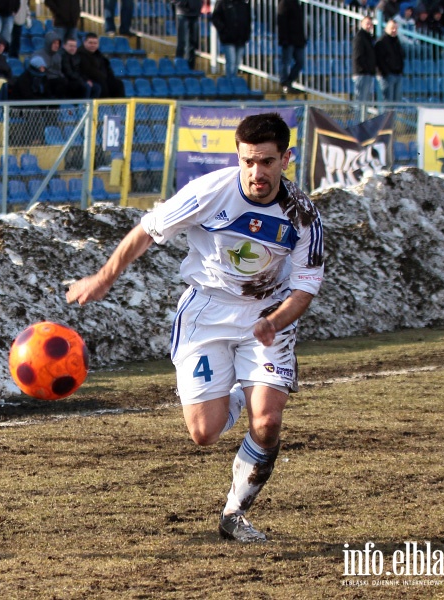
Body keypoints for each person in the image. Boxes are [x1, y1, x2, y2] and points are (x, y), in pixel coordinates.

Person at [66, 112, 325, 544]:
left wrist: (274, 322)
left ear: (286, 159)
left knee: (269, 421)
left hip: (268, 316)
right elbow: (147, 231)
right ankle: (242, 391)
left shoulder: (304, 217)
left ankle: (234, 513)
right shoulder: (211, 191)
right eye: (247, 162)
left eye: (266, 162)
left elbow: (304, 291)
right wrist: (103, 277)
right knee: (204, 433)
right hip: (207, 312)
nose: (256, 172)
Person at [76, 32, 125, 98]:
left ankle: (119, 106)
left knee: (118, 84)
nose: (93, 45)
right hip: (89, 80)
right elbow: (85, 70)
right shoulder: (79, 54)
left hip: (102, 78)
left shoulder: (99, 55)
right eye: (90, 43)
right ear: (84, 43)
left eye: (95, 43)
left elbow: (107, 68)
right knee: (101, 85)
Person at [210, 0, 251, 78]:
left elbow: (247, 20)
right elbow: (215, 18)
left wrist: (246, 34)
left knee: (237, 63)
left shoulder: (243, 3)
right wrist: (224, 30)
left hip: (241, 38)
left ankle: (233, 82)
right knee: (231, 63)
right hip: (228, 39)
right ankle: (230, 83)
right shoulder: (222, 2)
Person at [276, 0, 305, 94]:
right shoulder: (284, 3)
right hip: (288, 40)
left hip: (298, 39)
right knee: (286, 62)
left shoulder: (297, 3)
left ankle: (289, 81)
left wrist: (302, 38)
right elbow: (281, 23)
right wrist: (284, 39)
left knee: (300, 62)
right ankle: (284, 82)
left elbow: (300, 24)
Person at [375, 18, 404, 102]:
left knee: (395, 103)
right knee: (387, 103)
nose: (394, 30)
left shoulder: (396, 41)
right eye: (392, 28)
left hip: (397, 74)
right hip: (387, 76)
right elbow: (379, 59)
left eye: (396, 28)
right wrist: (386, 72)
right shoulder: (382, 41)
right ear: (386, 28)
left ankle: (393, 116)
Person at [352, 15, 376, 103]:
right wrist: (364, 69)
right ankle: (358, 117)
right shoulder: (360, 37)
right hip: (361, 73)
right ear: (362, 24)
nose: (369, 26)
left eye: (371, 24)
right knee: (360, 100)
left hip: (367, 73)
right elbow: (358, 55)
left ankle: (362, 117)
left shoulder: (369, 37)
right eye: (367, 24)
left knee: (364, 100)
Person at [172, 0, 201, 71]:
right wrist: (185, 4)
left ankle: (190, 68)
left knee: (192, 43)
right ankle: (179, 66)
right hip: (183, 13)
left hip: (195, 13)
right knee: (183, 42)